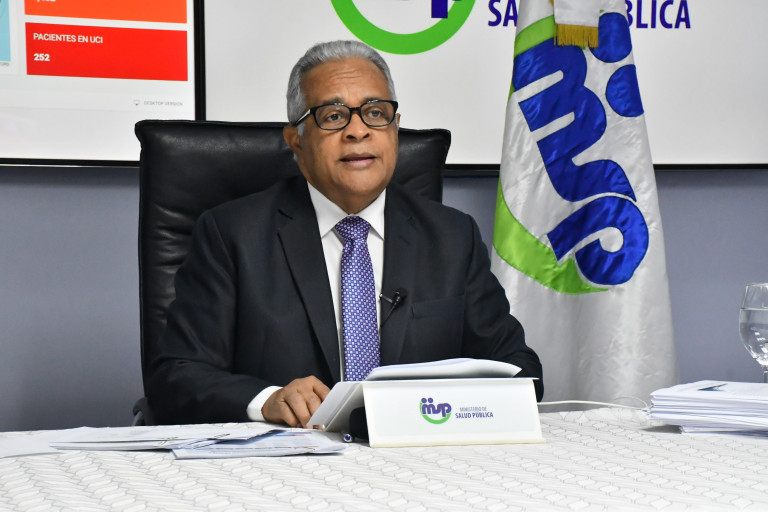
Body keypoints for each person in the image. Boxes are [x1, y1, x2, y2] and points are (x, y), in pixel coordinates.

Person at [146, 40, 543, 427]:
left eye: (375, 112)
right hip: (289, 459)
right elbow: (175, 377)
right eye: (334, 116)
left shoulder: (453, 237)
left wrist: (440, 406)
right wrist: (268, 400)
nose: (358, 131)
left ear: (395, 129)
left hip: (417, 453)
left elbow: (520, 369)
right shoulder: (231, 235)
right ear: (296, 141)